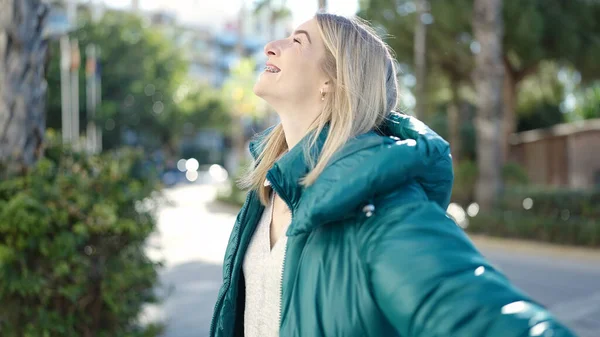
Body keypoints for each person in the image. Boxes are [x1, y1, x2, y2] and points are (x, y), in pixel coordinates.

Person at [209, 13, 576, 337]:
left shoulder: (383, 206)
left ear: (331, 82)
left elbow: (483, 318)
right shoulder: (267, 192)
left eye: (297, 41)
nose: (271, 47)